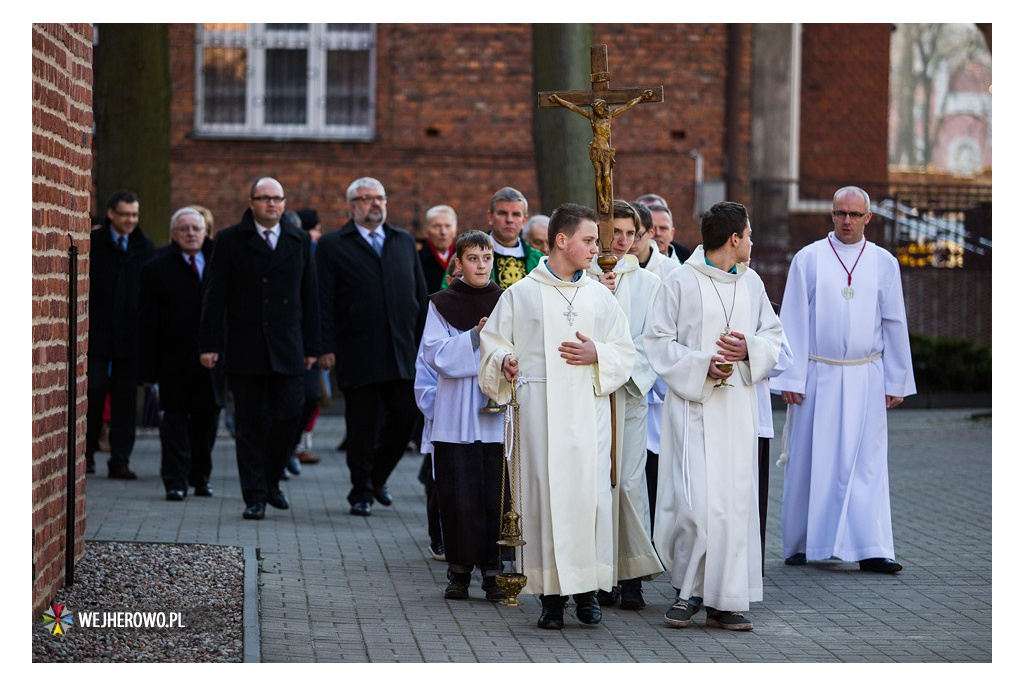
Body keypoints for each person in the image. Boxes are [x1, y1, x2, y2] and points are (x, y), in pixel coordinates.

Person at [479, 203, 636, 630]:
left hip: (588, 416)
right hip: (540, 415)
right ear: (562, 241)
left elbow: (625, 352)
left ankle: (586, 592)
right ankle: (550, 598)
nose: (596, 249)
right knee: (543, 500)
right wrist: (507, 362)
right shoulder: (521, 294)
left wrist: (597, 353)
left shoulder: (600, 296)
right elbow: (493, 343)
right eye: (588, 240)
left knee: (588, 501)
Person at [644, 200, 783, 631]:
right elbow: (657, 341)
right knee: (696, 506)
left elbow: (773, 335)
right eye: (749, 234)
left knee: (733, 505)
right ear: (734, 239)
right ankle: (689, 593)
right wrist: (703, 364)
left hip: (737, 410)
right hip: (693, 410)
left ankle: (727, 600)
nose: (752, 242)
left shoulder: (753, 283)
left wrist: (747, 352)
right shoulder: (681, 281)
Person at [770, 186, 916, 574]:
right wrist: (792, 376)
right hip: (818, 373)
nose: (846, 221)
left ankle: (871, 547)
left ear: (869, 217)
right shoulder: (810, 258)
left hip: (866, 374)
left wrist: (896, 379)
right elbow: (794, 320)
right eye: (840, 213)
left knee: (866, 464)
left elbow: (894, 321)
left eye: (854, 214)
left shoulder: (884, 262)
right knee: (808, 458)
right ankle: (802, 543)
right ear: (831, 216)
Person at [198, 177, 321, 520]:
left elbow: (310, 296)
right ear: (251, 202)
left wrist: (313, 345)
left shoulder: (298, 240)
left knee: (289, 413)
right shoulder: (229, 240)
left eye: (277, 198)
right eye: (264, 198)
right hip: (246, 344)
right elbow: (214, 295)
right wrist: (209, 343)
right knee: (249, 424)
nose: (271, 204)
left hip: (288, 344)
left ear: (284, 203)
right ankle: (254, 495)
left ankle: (270, 480)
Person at [317, 177, 428, 516]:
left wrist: (427, 343)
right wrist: (323, 345)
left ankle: (377, 476)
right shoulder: (333, 245)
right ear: (351, 206)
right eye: (365, 199)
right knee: (362, 426)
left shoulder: (403, 241)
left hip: (402, 350)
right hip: (358, 349)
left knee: (408, 416)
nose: (374, 203)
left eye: (379, 197)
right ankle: (361, 490)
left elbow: (420, 298)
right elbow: (321, 299)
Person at [587, 200, 665, 610]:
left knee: (631, 485)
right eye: (613, 231)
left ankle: (631, 574)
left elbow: (652, 342)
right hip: (594, 396)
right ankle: (601, 576)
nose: (620, 240)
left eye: (628, 233)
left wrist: (617, 365)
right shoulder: (582, 280)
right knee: (598, 484)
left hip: (630, 396)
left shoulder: (649, 284)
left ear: (638, 236)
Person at [422, 231, 506, 602]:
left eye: (487, 258)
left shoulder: (507, 300)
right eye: (473, 258)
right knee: (458, 496)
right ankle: (459, 573)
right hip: (456, 415)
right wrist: (474, 336)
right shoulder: (442, 304)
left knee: (494, 496)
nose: (481, 265)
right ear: (458, 263)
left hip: (495, 419)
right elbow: (436, 355)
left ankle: (493, 572)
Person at [139, 207, 223, 500]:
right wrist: (148, 371)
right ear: (174, 234)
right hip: (173, 360)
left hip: (212, 359)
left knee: (207, 421)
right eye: (184, 229)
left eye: (195, 229)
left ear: (205, 232)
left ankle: (200, 477)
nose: (190, 234)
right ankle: (175, 480)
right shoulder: (156, 269)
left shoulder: (219, 263)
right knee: (174, 422)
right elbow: (147, 323)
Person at [86, 190, 156, 479]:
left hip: (130, 337)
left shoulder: (144, 247)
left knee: (126, 402)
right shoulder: (94, 244)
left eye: (135, 215)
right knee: (93, 391)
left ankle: (121, 460)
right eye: (125, 214)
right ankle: (86, 455)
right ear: (111, 214)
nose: (131, 220)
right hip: (98, 335)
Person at [627, 201, 680, 530]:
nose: (629, 242)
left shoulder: (672, 273)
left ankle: (661, 537)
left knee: (659, 469)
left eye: (636, 234)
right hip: (628, 386)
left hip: (660, 390)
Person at [484, 187, 542, 289]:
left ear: (524, 220)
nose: (509, 220)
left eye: (516, 214)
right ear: (490, 217)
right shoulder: (471, 255)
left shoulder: (538, 260)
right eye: (502, 213)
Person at [419, 205, 457, 293]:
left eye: (448, 226)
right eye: (436, 226)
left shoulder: (464, 258)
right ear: (426, 231)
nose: (443, 232)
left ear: (455, 230)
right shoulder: (417, 260)